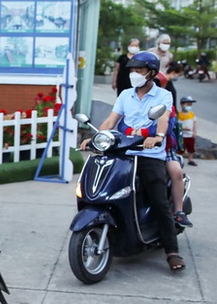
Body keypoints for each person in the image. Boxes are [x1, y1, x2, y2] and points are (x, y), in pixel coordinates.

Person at [80, 51, 185, 272]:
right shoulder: (126, 95)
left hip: (149, 155)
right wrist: (96, 137)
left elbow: (163, 119)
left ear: (152, 73)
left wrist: (157, 137)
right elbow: (111, 120)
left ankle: (172, 251)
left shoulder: (163, 96)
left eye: (139, 71)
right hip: (123, 151)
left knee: (158, 200)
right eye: (132, 71)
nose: (134, 75)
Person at [118, 66, 192, 228]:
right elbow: (121, 124)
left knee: (176, 171)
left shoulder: (166, 104)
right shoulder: (131, 99)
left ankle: (178, 211)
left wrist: (150, 134)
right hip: (136, 147)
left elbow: (163, 126)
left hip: (164, 149)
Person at [178, 95, 198, 166]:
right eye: (187, 104)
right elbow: (178, 125)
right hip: (183, 135)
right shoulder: (179, 115)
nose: (189, 106)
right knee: (181, 148)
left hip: (190, 134)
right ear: (182, 104)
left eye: (190, 105)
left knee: (191, 147)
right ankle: (180, 159)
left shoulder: (192, 114)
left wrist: (194, 131)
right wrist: (184, 128)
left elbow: (194, 123)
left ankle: (190, 159)